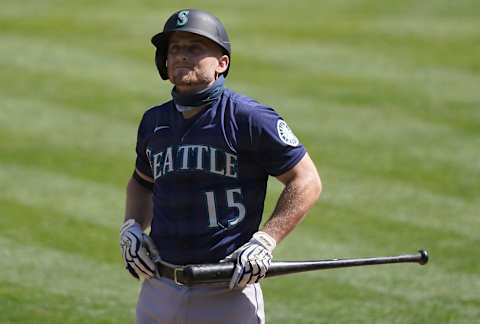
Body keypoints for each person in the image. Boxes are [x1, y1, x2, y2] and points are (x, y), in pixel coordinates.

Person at [120, 8, 322, 324]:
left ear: (222, 63)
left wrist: (265, 241)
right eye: (175, 49)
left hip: (227, 294)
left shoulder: (248, 118)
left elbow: (306, 180)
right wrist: (131, 226)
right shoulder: (154, 121)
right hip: (158, 289)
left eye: (195, 48)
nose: (182, 56)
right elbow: (142, 182)